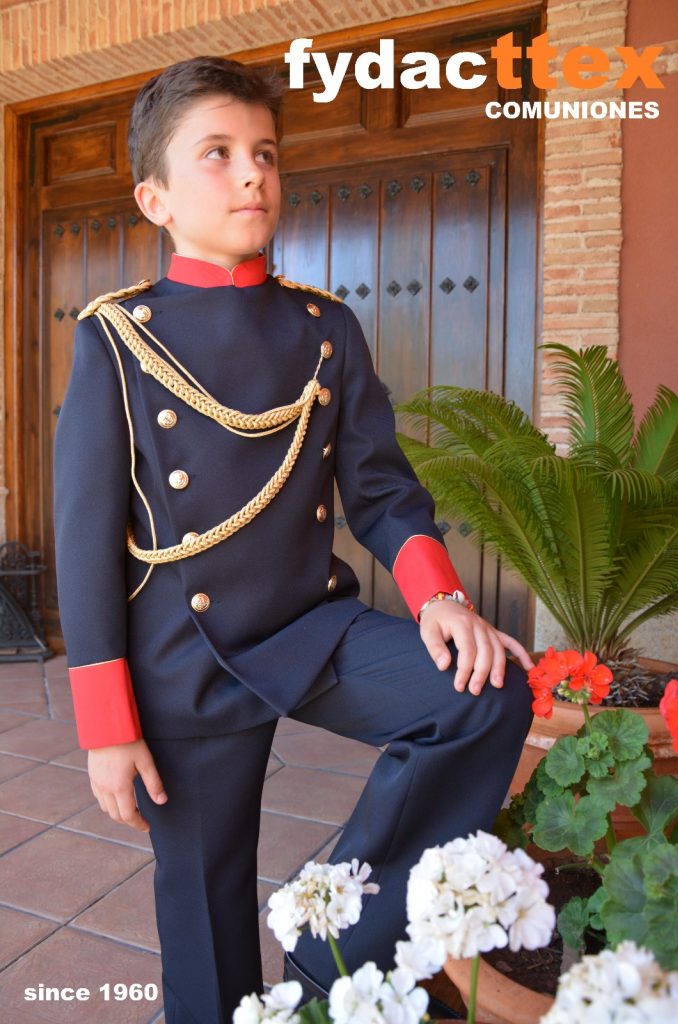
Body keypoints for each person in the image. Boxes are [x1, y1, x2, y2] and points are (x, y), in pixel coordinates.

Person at [53, 55, 535, 1024]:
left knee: (484, 693)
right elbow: (85, 535)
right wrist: (107, 725)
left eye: (265, 153)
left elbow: (381, 490)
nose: (252, 175)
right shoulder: (117, 336)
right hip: (183, 654)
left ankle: (333, 935)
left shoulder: (327, 328)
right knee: (206, 929)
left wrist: (442, 598)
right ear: (154, 198)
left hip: (310, 626)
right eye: (218, 153)